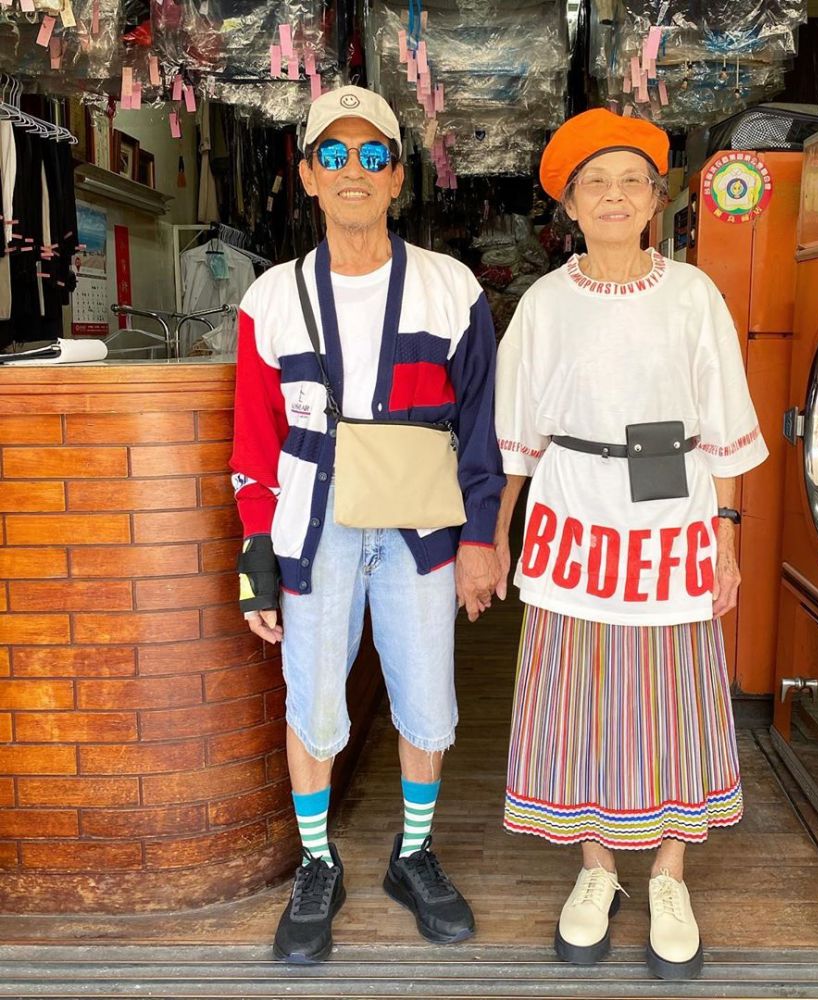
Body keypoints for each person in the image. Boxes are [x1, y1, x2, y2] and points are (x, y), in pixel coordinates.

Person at [230, 85, 504, 964]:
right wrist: (255, 556)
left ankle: (412, 854)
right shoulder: (271, 298)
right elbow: (253, 440)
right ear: (307, 176)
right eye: (335, 155)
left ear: (397, 178)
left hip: (423, 520)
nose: (355, 171)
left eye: (374, 155)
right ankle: (319, 864)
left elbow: (481, 427)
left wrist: (480, 539)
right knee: (311, 697)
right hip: (312, 525)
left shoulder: (451, 287)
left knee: (427, 695)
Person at [493, 109, 767, 981]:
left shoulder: (693, 296)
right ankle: (596, 871)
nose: (614, 198)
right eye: (595, 184)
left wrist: (725, 535)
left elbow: (726, 426)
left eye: (632, 182)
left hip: (672, 517)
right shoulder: (542, 303)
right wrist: (493, 538)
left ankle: (671, 875)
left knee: (671, 701)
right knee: (579, 698)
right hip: (574, 520)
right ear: (569, 203)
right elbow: (514, 439)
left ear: (658, 198)